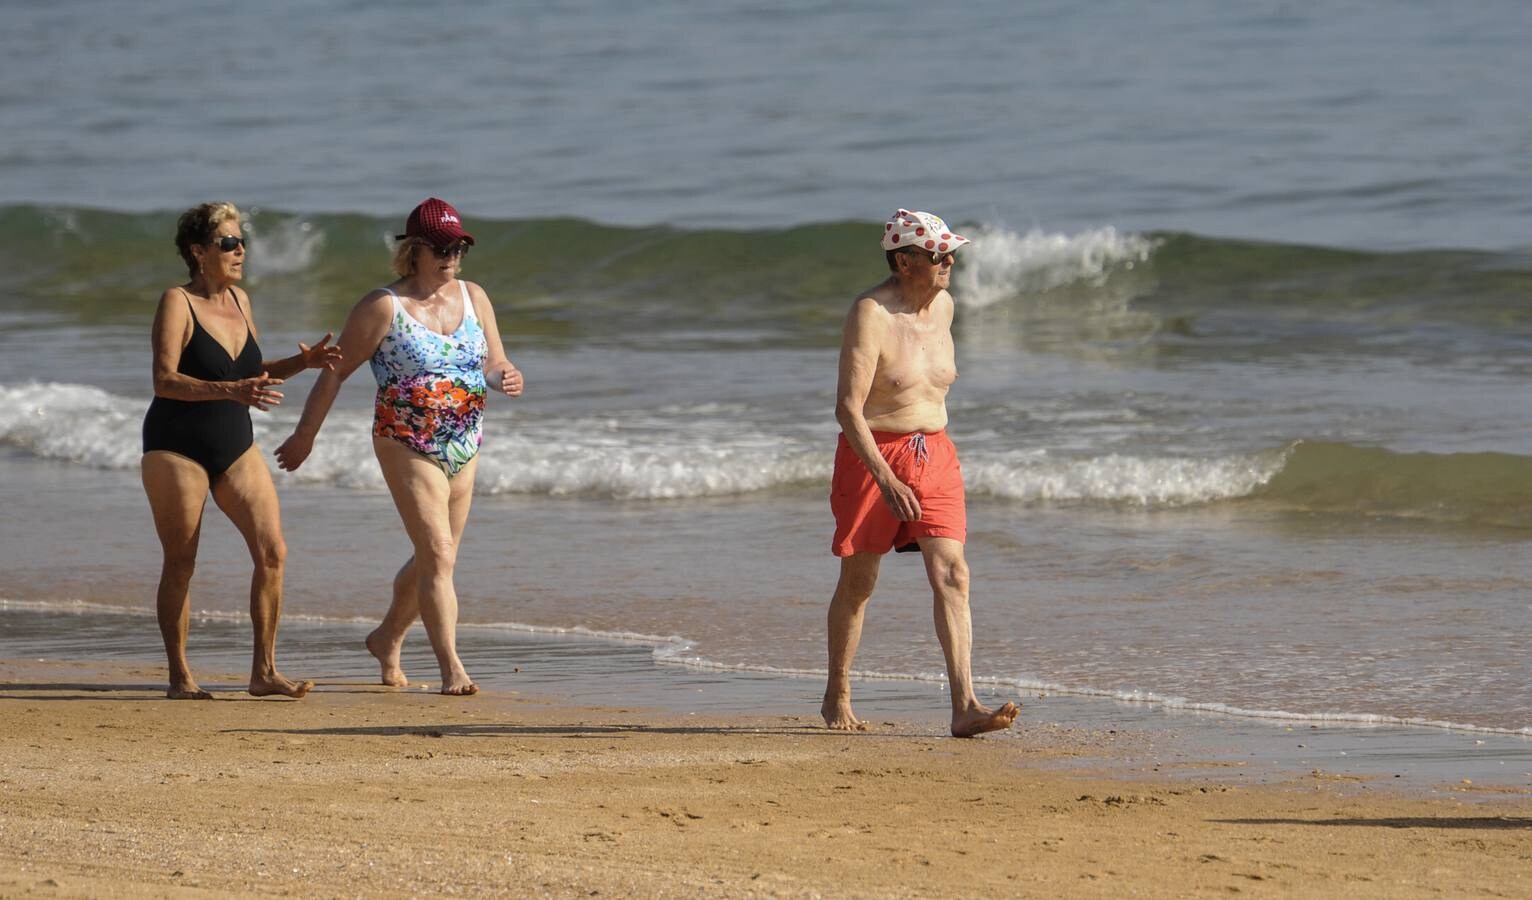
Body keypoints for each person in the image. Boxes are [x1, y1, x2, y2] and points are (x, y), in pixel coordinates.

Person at [275, 198, 524, 696]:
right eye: (440, 247)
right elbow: (335, 372)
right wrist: (305, 436)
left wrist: (505, 377)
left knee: (437, 559)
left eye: (458, 247)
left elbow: (494, 361)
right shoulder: (382, 305)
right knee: (438, 552)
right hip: (404, 439)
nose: (451, 256)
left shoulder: (474, 296)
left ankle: (387, 636)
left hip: (465, 442)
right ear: (413, 250)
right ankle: (452, 667)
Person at [823, 209, 1020, 737]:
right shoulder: (870, 313)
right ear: (904, 260)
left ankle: (965, 706)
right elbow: (848, 408)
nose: (949, 262)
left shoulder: (945, 306)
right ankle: (837, 694)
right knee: (860, 581)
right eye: (938, 255)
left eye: (950, 253)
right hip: (873, 456)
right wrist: (886, 479)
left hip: (934, 451)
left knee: (953, 573)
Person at [142, 201, 341, 700]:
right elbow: (165, 381)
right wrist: (231, 392)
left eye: (241, 241)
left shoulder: (241, 301)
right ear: (199, 251)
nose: (240, 251)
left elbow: (251, 374)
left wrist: (302, 362)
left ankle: (264, 672)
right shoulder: (177, 301)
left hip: (234, 443)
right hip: (176, 446)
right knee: (182, 560)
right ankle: (180, 675)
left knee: (273, 550)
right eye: (228, 242)